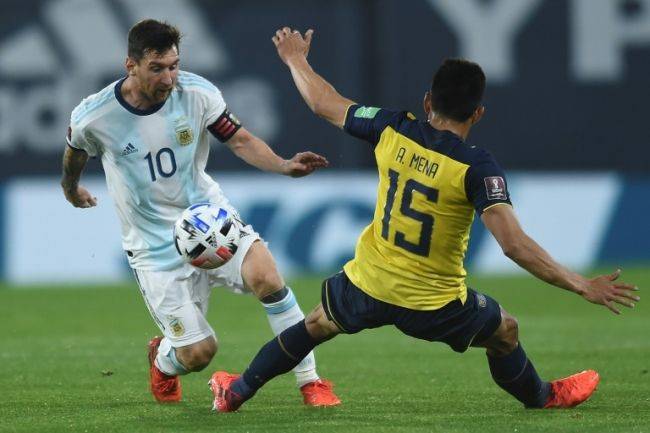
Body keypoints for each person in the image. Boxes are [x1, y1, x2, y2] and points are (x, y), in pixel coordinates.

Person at [209, 27, 640, 412]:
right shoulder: (477, 167)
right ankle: (542, 396)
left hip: (369, 283)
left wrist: (295, 60)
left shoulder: (392, 128)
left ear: (428, 101)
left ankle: (237, 390)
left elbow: (324, 104)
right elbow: (514, 245)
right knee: (505, 331)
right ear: (478, 113)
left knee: (315, 324)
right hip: (434, 303)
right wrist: (581, 284)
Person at [60, 20, 340, 407]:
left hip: (210, 221)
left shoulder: (197, 93)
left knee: (268, 278)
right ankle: (163, 360)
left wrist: (282, 165)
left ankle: (311, 382)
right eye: (157, 68)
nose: (169, 77)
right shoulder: (95, 116)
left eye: (174, 65)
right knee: (198, 354)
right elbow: (75, 153)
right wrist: (71, 189)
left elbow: (239, 140)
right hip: (155, 246)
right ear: (131, 65)